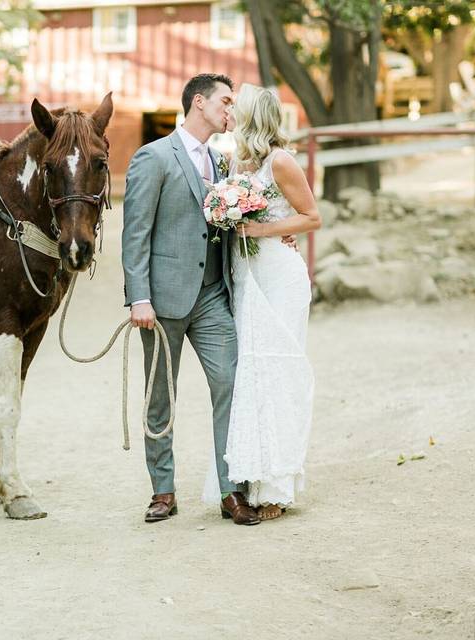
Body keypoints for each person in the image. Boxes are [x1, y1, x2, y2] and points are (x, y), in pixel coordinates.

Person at [121, 73, 260, 526]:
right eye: (225, 101)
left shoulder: (223, 164)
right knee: (160, 397)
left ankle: (230, 491)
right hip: (161, 302)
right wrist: (138, 296)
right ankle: (163, 490)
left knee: (231, 385)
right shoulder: (153, 156)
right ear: (198, 103)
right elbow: (135, 233)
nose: (230, 110)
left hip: (212, 296)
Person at [201, 83, 321, 520]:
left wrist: (263, 230)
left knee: (276, 372)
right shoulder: (236, 160)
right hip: (244, 276)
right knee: (249, 373)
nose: (229, 111)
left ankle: (276, 487)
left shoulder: (280, 161)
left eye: (237, 107)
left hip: (278, 276)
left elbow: (312, 217)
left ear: (254, 117)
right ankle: (248, 478)